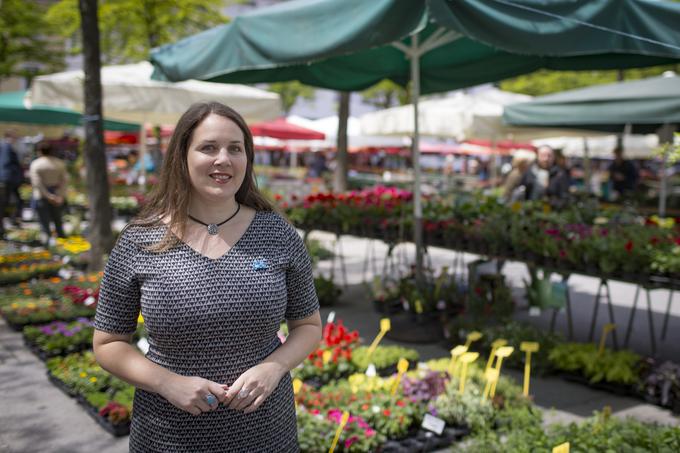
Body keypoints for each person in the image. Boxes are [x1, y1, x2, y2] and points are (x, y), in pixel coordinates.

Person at [92, 102, 322, 452]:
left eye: (235, 148)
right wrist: (167, 382)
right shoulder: (141, 240)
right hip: (168, 434)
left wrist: (274, 367)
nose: (223, 160)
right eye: (208, 147)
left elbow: (309, 325)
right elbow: (108, 343)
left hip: (265, 432)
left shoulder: (279, 234)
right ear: (181, 156)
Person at [29, 141, 68, 243]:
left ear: (39, 151)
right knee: (58, 221)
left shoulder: (36, 164)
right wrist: (59, 195)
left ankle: (47, 244)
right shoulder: (59, 163)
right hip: (57, 194)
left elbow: (37, 183)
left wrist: (48, 196)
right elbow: (64, 181)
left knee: (44, 222)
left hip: (42, 196)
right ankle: (62, 243)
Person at [0, 130, 24, 237]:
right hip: (8, 179)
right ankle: (12, 220)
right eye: (14, 136)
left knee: (12, 201)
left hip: (8, 179)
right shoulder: (6, 147)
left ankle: (13, 220)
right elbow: (7, 164)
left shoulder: (6, 146)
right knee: (6, 203)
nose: (16, 138)